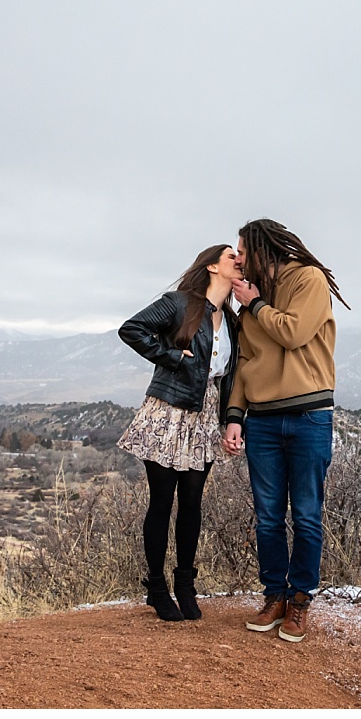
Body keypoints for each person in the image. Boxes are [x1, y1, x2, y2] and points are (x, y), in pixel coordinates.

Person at [222, 218, 349, 643]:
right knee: (268, 518)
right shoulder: (249, 304)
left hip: (309, 416)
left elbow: (293, 333)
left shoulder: (307, 280)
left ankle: (300, 602)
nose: (237, 259)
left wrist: (256, 304)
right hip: (261, 420)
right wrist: (235, 415)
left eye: (242, 251)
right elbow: (244, 363)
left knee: (308, 515)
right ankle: (274, 595)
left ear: (262, 249)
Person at [117, 244, 243, 622]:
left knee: (192, 503)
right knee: (162, 501)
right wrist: (171, 357)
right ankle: (156, 588)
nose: (238, 261)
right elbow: (132, 329)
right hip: (167, 412)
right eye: (230, 257)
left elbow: (230, 376)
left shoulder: (233, 322)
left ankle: (185, 585)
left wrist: (232, 421)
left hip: (203, 417)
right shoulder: (179, 303)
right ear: (211, 267)